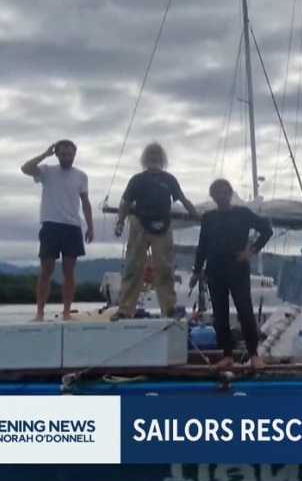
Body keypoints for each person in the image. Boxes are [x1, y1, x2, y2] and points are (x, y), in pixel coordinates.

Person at [190, 179, 273, 369]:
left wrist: (252, 250)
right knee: (220, 314)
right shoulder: (208, 218)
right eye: (217, 192)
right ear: (212, 196)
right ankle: (227, 355)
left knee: (245, 310)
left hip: (237, 267)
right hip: (214, 269)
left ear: (230, 193)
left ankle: (254, 355)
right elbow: (202, 245)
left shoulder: (242, 213)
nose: (221, 194)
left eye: (224, 191)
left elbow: (267, 230)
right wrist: (196, 271)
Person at [113, 142, 199, 319]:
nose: (154, 157)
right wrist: (120, 222)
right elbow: (126, 203)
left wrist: (197, 216)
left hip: (163, 226)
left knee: (165, 268)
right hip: (139, 224)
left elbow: (182, 199)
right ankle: (125, 309)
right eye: (150, 154)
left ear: (162, 158)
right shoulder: (137, 180)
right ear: (145, 158)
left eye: (157, 154)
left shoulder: (169, 180)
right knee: (133, 267)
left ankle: (168, 308)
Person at [20, 140, 94, 322]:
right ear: (57, 154)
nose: (66, 157)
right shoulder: (46, 171)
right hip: (50, 225)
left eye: (69, 154)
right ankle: (39, 314)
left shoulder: (81, 176)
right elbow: (25, 168)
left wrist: (90, 226)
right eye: (63, 154)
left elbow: (85, 202)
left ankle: (67, 312)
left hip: (72, 227)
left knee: (69, 271)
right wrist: (45, 154)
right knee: (46, 270)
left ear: (74, 154)